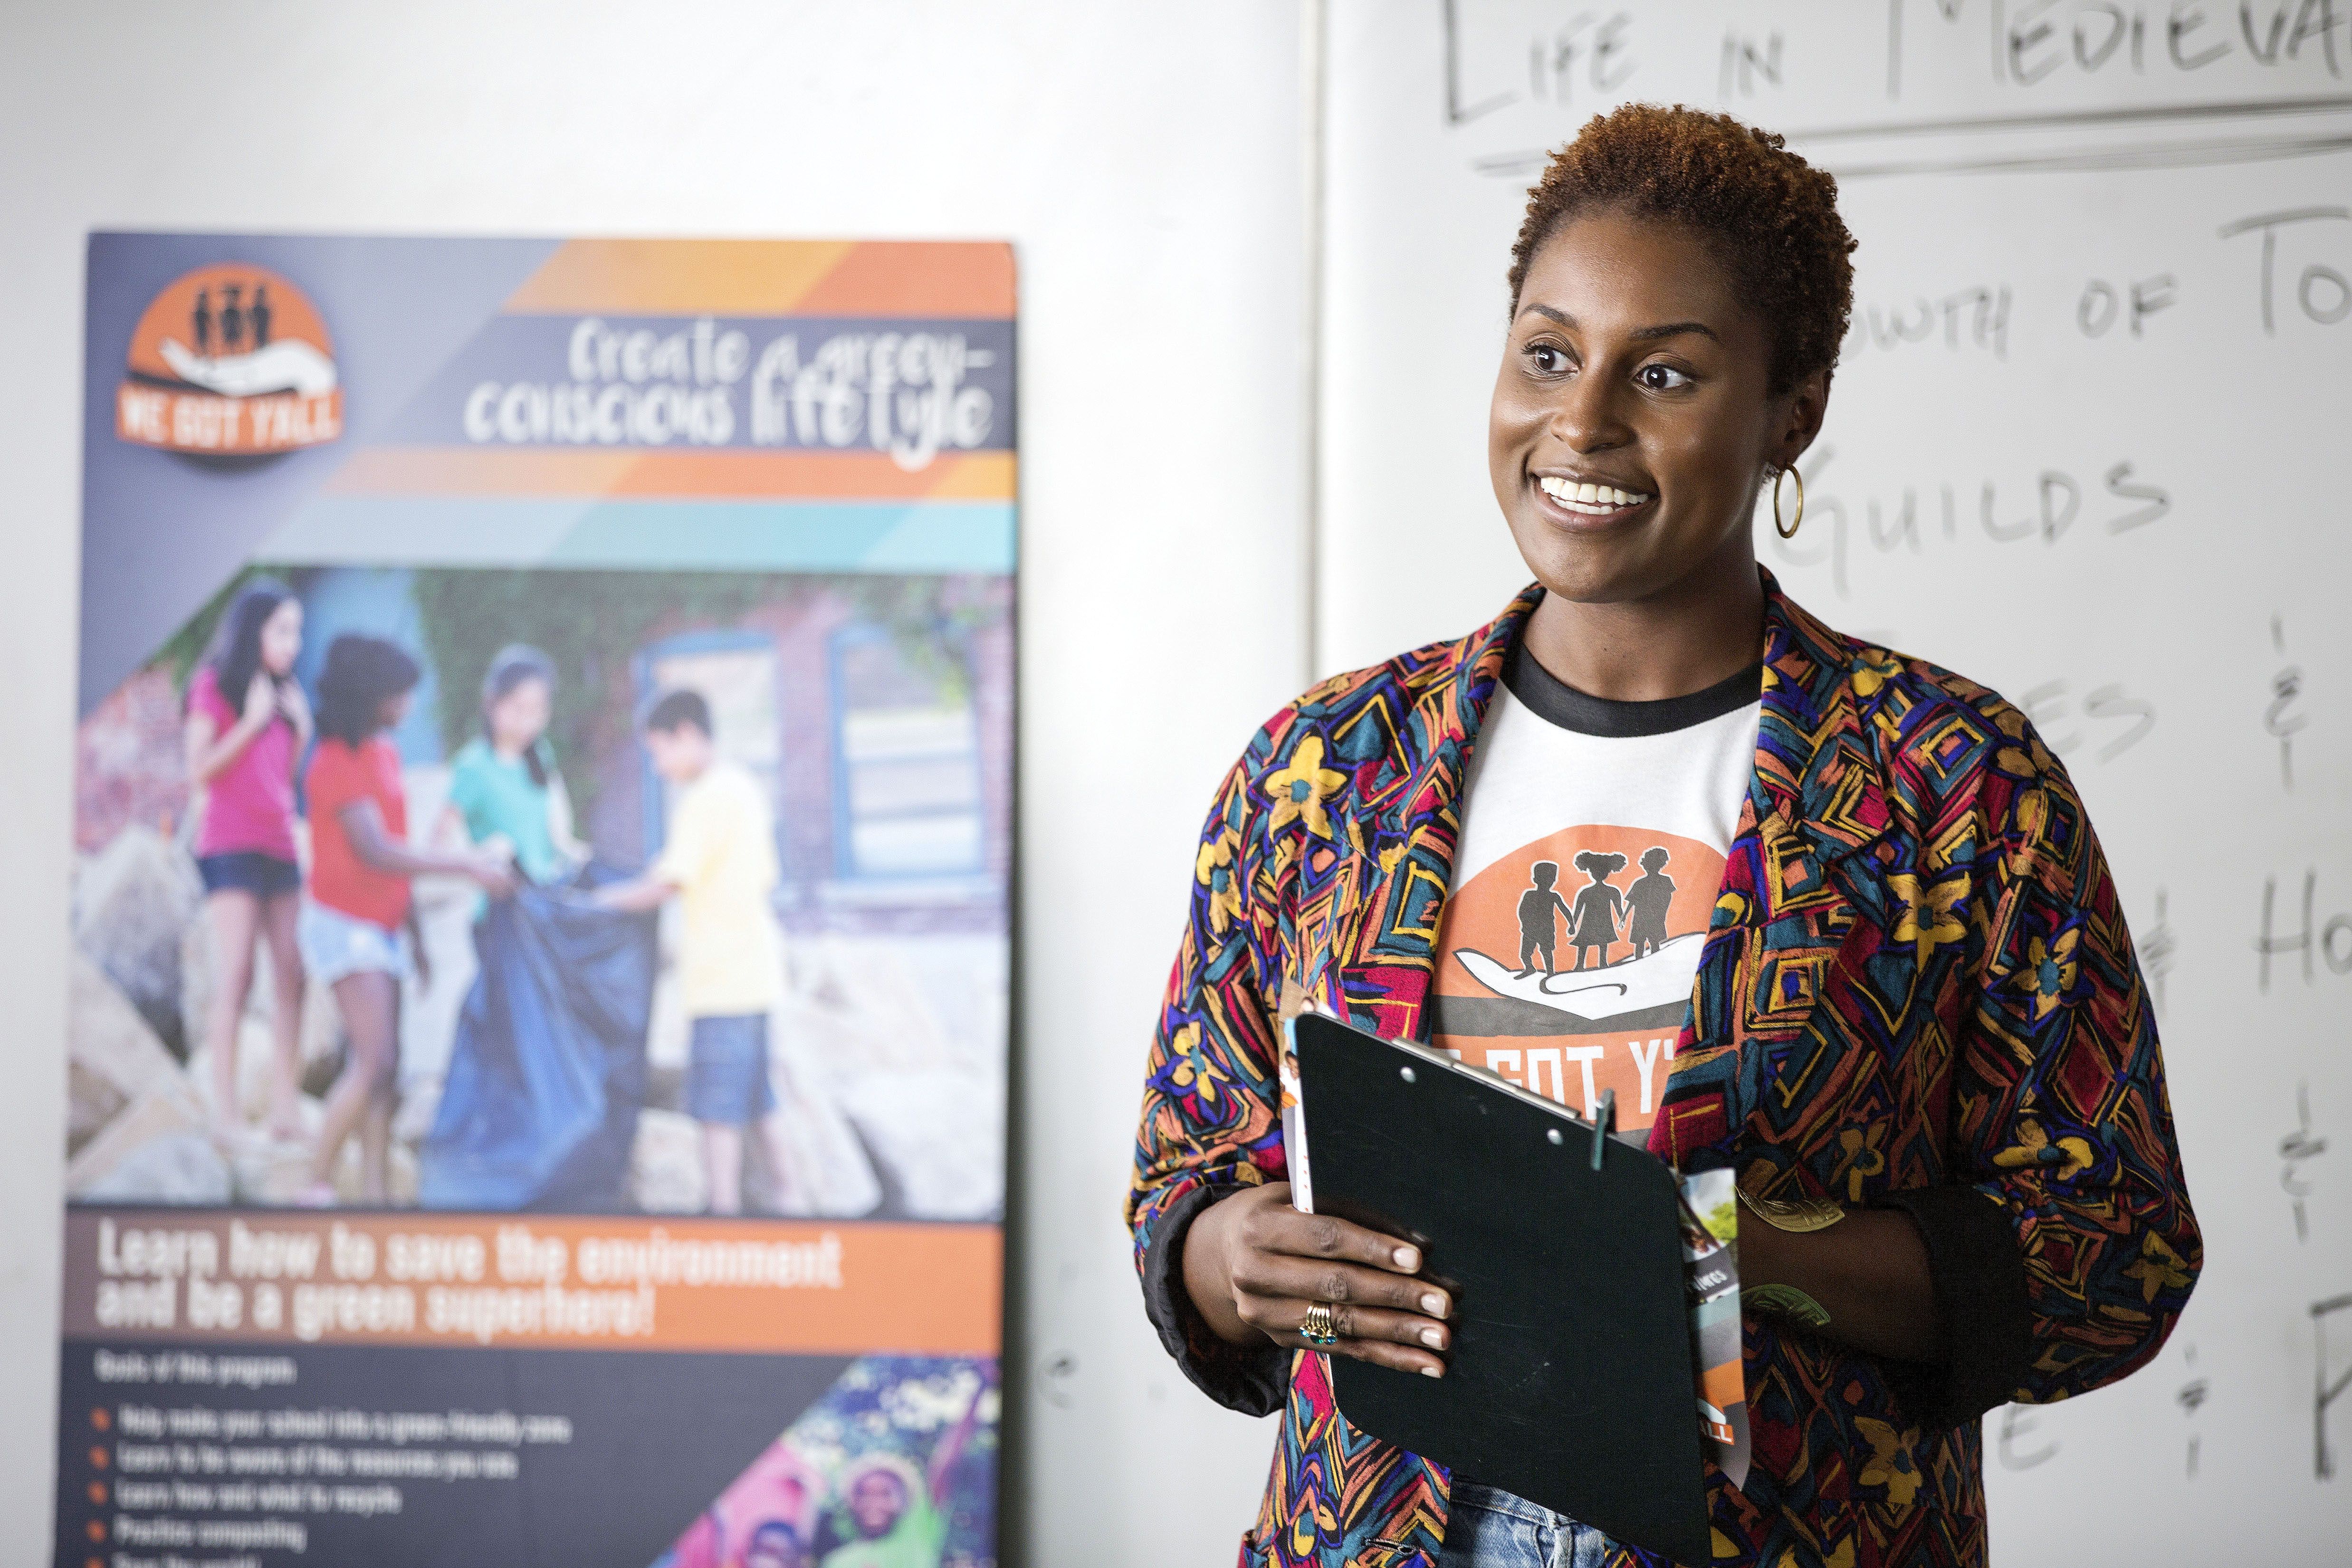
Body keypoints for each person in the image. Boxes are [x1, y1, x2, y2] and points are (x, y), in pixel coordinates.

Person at [1129, 105, 2199, 1568]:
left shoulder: (1951, 783)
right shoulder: (1324, 773)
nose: (1581, 425)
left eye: (1668, 372)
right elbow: (1188, 1172)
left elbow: (2113, 1248)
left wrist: (1746, 1256)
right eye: (1548, 353)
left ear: (1792, 414)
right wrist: (1227, 1252)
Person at [299, 635, 514, 1205]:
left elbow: (397, 853)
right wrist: (467, 864)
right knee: (376, 1060)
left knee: (386, 1073)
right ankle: (314, 1180)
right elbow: (376, 851)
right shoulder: (331, 765)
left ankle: (374, 1193)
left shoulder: (384, 754)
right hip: (345, 924)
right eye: (400, 695)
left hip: (385, 925)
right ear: (370, 697)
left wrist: (414, 934)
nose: (409, 706)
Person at [592, 691, 790, 1215]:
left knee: (717, 1111)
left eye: (659, 753)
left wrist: (596, 901)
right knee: (758, 1100)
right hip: (756, 973)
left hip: (721, 983)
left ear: (686, 735)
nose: (659, 768)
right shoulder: (742, 787)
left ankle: (721, 1211)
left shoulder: (704, 799)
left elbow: (666, 883)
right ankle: (791, 1197)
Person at [184, 578, 310, 1141]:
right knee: (236, 973)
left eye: (297, 632)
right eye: (282, 629)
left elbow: (278, 781)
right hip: (230, 846)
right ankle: (225, 1114)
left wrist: (299, 731)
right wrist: (253, 723)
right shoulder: (214, 686)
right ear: (253, 629)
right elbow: (200, 770)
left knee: (293, 974)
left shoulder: (285, 695)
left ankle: (286, 1110)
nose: (293, 643)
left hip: (279, 845)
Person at [438, 643, 589, 895]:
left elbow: (559, 834)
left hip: (545, 899)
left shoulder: (541, 753)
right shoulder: (474, 765)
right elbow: (440, 843)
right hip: (502, 911)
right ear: (492, 703)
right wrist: (482, 857)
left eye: (537, 710)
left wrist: (577, 854)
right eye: (518, 708)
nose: (527, 720)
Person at [818, 1372, 986, 1568]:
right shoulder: (837, 1562)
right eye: (864, 1494)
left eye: (886, 1493)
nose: (874, 1503)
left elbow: (946, 1462)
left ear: (904, 1502)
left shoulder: (918, 1534)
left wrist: (982, 1387)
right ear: (852, 1502)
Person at [1566, 849, 1626, 970]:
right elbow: (1619, 909)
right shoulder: (1610, 891)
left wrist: (1573, 926)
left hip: (1597, 922)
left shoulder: (1587, 892)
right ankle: (1593, 964)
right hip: (1596, 922)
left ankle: (1585, 965)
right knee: (1596, 943)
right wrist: (1621, 919)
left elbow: (1577, 911)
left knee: (1591, 943)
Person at [1512, 862, 1570, 977]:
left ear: (1554, 881)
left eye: (1551, 879)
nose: (1548, 882)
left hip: (1547, 930)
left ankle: (1550, 974)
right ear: (1535, 879)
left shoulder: (1554, 896)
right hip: (1530, 930)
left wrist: (1572, 924)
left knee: (1547, 952)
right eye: (1546, 879)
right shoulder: (1530, 895)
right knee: (1525, 954)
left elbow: (1565, 910)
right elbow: (1522, 911)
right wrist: (1525, 923)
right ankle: (1530, 968)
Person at [1623, 847, 1674, 961]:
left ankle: (1655, 965)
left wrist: (1662, 913)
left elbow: (1668, 898)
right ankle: (1637, 963)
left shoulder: (1665, 880)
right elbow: (1632, 901)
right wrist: (1624, 917)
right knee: (1639, 944)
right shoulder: (1639, 883)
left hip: (1655, 918)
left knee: (1654, 943)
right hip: (1640, 919)